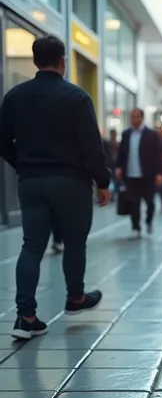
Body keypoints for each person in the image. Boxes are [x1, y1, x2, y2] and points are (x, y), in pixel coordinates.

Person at [0, 35, 110, 340]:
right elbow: (91, 146)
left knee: (31, 246)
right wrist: (103, 181)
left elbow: (2, 141)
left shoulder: (14, 97)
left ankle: (26, 317)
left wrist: (23, 164)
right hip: (70, 182)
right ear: (63, 61)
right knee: (75, 243)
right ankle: (75, 298)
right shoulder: (75, 97)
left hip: (31, 181)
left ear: (35, 60)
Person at [115, 108, 162, 238]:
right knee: (133, 203)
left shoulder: (151, 135)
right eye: (132, 117)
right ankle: (135, 228)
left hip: (147, 175)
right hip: (130, 175)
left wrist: (159, 173)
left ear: (142, 118)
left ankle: (148, 221)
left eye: (136, 117)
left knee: (150, 202)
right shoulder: (126, 134)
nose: (134, 119)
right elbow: (121, 154)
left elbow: (158, 155)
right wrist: (119, 167)